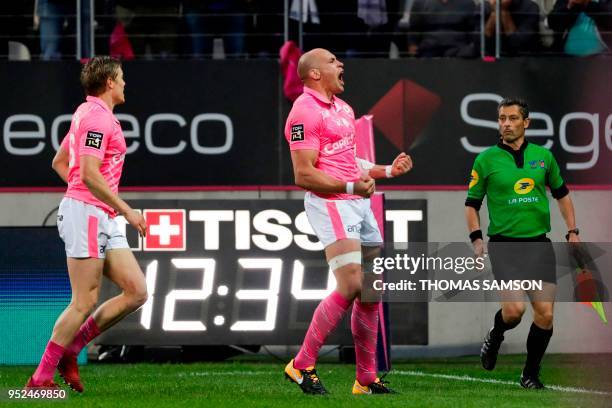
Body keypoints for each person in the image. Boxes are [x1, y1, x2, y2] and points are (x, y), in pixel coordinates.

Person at [283, 48, 413, 395]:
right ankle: (301, 364)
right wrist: (349, 186)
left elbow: (347, 159)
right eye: (332, 61)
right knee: (352, 283)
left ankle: (365, 380)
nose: (340, 65)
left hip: (357, 203)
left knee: (371, 291)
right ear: (314, 74)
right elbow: (303, 173)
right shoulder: (303, 112)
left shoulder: (344, 109)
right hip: (330, 204)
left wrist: (385, 170)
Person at [26, 56, 148, 391]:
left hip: (98, 213)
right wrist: (125, 210)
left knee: (136, 291)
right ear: (109, 81)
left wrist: (85, 194)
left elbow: (59, 162)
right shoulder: (96, 118)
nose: (125, 83)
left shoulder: (89, 113)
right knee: (83, 301)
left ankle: (73, 350)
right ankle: (40, 379)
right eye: (121, 77)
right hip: (90, 215)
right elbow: (90, 174)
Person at [465, 97, 580, 389]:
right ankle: (496, 333)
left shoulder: (544, 156)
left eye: (513, 118)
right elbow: (472, 204)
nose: (506, 123)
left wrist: (573, 230)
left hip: (539, 244)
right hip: (505, 245)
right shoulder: (486, 159)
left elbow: (562, 194)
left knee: (545, 314)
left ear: (526, 123)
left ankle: (529, 374)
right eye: (502, 118)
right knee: (514, 312)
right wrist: (477, 239)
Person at [547, 0, 612, 56]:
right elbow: (552, 23)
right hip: (565, 57)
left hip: (601, 58)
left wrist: (587, 4)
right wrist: (569, 8)